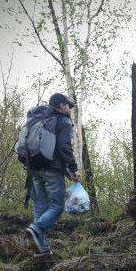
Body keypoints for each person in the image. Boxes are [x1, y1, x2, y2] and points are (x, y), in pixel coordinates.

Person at [25, 93, 81, 255]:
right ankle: (36, 228)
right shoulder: (63, 120)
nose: (69, 109)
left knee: (40, 207)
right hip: (52, 169)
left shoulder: (39, 118)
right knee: (56, 206)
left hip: (34, 168)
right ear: (62, 105)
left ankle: (41, 249)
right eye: (68, 105)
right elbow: (65, 147)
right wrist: (73, 168)